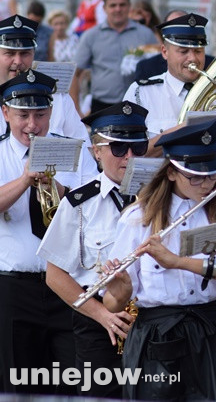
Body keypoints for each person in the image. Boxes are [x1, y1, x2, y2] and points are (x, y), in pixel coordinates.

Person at [101, 120, 216, 400]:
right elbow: (113, 303)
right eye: (195, 176)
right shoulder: (139, 218)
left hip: (209, 332)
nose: (206, 184)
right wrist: (120, 288)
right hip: (155, 337)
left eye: (212, 175)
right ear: (172, 173)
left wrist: (179, 261)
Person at [38, 100, 149, 398]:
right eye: (118, 148)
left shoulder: (160, 199)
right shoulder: (79, 203)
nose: (128, 157)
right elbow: (55, 275)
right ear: (96, 151)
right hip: (99, 326)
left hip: (155, 321)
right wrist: (102, 315)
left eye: (138, 148)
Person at [0, 70, 91, 394]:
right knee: (16, 388)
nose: (32, 125)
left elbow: (94, 208)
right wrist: (25, 180)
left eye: (40, 115)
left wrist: (58, 187)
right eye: (23, 115)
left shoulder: (75, 150)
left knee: (72, 386)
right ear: (5, 112)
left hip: (67, 286)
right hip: (13, 290)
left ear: (51, 113)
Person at [123, 12, 216, 154]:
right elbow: (130, 153)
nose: (193, 58)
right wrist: (184, 129)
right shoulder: (141, 92)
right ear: (165, 52)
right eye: (183, 51)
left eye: (198, 51)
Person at [0, 15, 90, 143]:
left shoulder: (58, 98)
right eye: (10, 53)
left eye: (25, 53)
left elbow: (83, 147)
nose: (18, 61)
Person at [71, 0, 158, 115]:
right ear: (104, 8)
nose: (118, 9)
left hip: (139, 105)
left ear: (129, 7)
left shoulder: (145, 34)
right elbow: (75, 73)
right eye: (113, 5)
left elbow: (157, 70)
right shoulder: (91, 36)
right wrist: (76, 111)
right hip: (102, 106)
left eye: (122, 5)